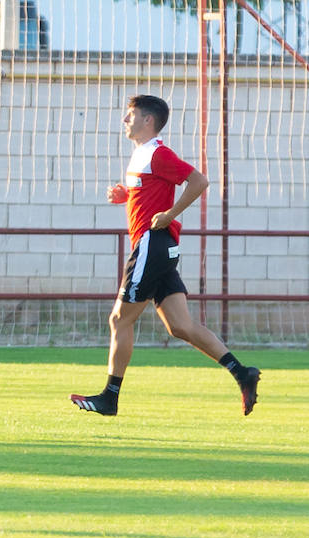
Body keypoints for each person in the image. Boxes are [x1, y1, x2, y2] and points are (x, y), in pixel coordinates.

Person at [71, 94, 260, 417]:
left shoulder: (158, 154)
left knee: (119, 319)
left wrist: (170, 213)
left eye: (130, 115)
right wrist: (126, 196)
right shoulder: (142, 155)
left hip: (151, 244)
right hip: (160, 248)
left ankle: (110, 398)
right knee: (180, 326)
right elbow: (150, 192)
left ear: (148, 120)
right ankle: (242, 373)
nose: (124, 120)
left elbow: (199, 181)